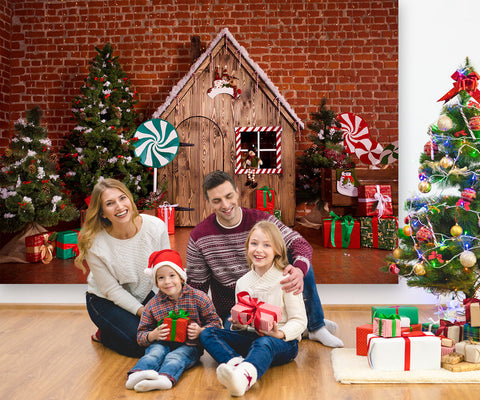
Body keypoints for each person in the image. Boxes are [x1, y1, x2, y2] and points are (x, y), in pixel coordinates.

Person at [186, 170, 343, 348]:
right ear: (208, 202)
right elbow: (196, 288)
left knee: (300, 262)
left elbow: (300, 244)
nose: (225, 204)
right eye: (217, 200)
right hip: (238, 310)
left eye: (229, 196)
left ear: (237, 192)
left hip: (274, 301)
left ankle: (315, 326)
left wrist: (298, 270)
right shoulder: (199, 236)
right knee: (241, 343)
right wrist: (196, 325)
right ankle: (299, 328)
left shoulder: (261, 220)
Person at [200, 221, 307, 396]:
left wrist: (280, 333)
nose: (259, 250)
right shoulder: (243, 282)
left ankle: (244, 379)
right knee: (207, 333)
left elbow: (300, 320)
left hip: (282, 343)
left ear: (277, 250)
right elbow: (244, 324)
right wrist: (237, 323)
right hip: (251, 338)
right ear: (247, 247)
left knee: (263, 342)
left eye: (266, 245)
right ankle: (236, 365)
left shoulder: (286, 279)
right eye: (254, 243)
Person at [75, 178, 170, 358]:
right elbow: (112, 290)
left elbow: (166, 270)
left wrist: (167, 304)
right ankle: (105, 334)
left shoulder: (155, 226)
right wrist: (146, 313)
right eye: (110, 203)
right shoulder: (94, 242)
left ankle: (120, 326)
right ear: (102, 213)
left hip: (141, 295)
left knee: (167, 337)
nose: (119, 206)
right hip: (104, 300)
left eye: (122, 198)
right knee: (141, 344)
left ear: (130, 200)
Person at [126, 249, 222, 392]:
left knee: (176, 357)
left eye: (172, 275)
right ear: (156, 283)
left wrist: (201, 331)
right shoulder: (152, 305)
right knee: (155, 353)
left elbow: (217, 324)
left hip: (190, 346)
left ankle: (165, 378)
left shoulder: (199, 298)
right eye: (161, 278)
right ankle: (136, 374)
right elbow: (140, 336)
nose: (167, 282)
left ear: (181, 277)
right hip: (161, 343)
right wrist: (153, 335)